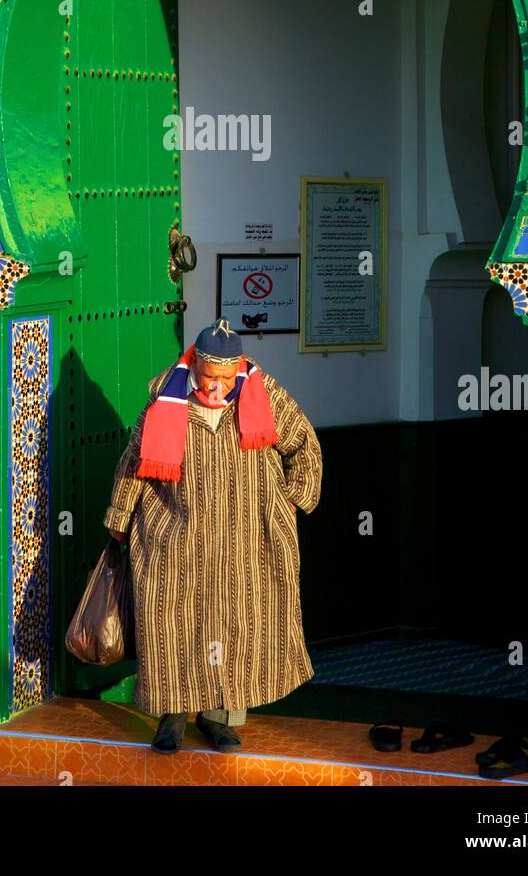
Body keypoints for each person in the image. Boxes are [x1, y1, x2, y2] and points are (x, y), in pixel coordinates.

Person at [103, 318, 323, 753]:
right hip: (174, 535)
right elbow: (134, 462)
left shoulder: (266, 395)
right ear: (194, 367)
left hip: (248, 537)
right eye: (209, 378)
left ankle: (219, 719)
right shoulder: (165, 399)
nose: (218, 387)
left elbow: (305, 445)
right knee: (172, 624)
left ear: (238, 367)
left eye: (225, 379)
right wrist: (120, 520)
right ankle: (171, 719)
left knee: (237, 622)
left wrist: (291, 500)